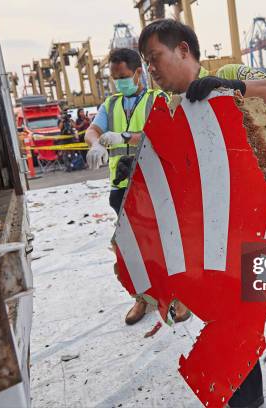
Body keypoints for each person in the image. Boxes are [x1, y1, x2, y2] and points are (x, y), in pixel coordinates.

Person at [138, 19, 266, 408]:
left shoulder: (228, 73)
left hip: (261, 226)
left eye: (155, 57)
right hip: (213, 241)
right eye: (146, 62)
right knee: (230, 326)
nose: (150, 68)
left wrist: (235, 89)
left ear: (183, 50)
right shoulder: (166, 108)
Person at [84, 48, 189, 325]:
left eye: (124, 76)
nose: (120, 82)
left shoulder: (158, 99)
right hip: (122, 186)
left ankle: (178, 297)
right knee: (132, 247)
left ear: (138, 73)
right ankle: (142, 297)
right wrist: (94, 143)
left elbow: (164, 134)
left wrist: (126, 136)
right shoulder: (110, 105)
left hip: (155, 185)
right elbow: (92, 129)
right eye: (115, 77)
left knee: (166, 243)